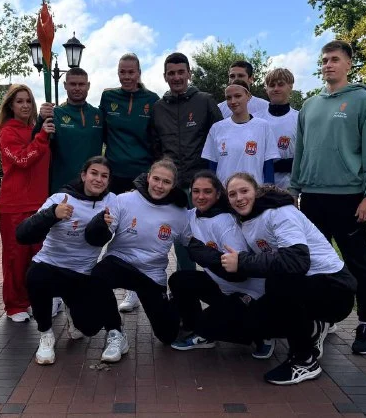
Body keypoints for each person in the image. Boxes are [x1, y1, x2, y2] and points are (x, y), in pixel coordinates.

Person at [289, 40, 366, 355]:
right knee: (314, 264)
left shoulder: (363, 101)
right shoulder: (309, 106)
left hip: (350, 199)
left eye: (334, 59)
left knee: (359, 264)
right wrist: (294, 190)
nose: (328, 65)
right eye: (324, 60)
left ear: (348, 64)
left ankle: (365, 324)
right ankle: (324, 318)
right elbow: (300, 152)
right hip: (312, 198)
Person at [222, 173, 357, 385]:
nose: (239, 198)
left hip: (335, 289)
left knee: (280, 282)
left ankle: (305, 361)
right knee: (255, 322)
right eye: (232, 194)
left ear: (256, 191)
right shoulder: (247, 220)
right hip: (308, 286)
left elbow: (296, 262)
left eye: (244, 191)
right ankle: (312, 326)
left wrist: (242, 262)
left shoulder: (280, 212)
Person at [84, 159, 221, 362]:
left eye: (166, 182)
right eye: (156, 179)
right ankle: (115, 332)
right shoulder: (124, 200)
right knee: (97, 276)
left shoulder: (179, 213)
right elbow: (97, 237)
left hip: (151, 274)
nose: (159, 185)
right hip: (120, 262)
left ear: (173, 185)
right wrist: (98, 224)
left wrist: (220, 261)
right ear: (148, 177)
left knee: (167, 336)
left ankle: (175, 306)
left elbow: (192, 245)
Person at [15, 156, 118, 365]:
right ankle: (46, 333)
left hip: (81, 273)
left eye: (104, 176)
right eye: (94, 173)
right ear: (83, 175)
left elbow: (94, 239)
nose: (98, 179)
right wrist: (52, 214)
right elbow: (23, 234)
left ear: (109, 180)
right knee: (35, 276)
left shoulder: (112, 202)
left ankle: (72, 309)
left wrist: (100, 224)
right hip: (50, 266)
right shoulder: (61, 198)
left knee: (89, 328)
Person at [168, 171, 274, 359]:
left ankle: (263, 332)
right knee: (179, 280)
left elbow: (238, 274)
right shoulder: (192, 215)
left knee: (210, 323)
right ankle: (199, 329)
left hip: (249, 292)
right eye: (196, 191)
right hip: (223, 288)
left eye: (207, 191)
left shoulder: (225, 222)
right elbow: (164, 214)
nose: (201, 197)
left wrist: (200, 253)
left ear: (218, 194)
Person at [148, 52, 223, 274]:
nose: (177, 77)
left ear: (189, 73)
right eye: (171, 73)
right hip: (174, 187)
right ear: (165, 76)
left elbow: (221, 139)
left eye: (181, 72)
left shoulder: (205, 101)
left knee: (211, 235)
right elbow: (155, 146)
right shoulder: (158, 108)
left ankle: (218, 282)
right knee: (180, 237)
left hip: (202, 184)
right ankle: (185, 282)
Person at [0, 84, 55, 322]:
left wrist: (42, 128)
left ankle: (31, 299)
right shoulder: (7, 132)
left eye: (28, 101)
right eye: (19, 101)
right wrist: (42, 137)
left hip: (39, 203)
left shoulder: (34, 129)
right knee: (16, 258)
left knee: (37, 256)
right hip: (15, 205)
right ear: (11, 105)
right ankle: (14, 305)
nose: (25, 105)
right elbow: (22, 159)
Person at [99, 53, 161, 195]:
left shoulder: (152, 99)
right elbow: (100, 128)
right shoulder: (108, 97)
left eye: (131, 72)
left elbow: (157, 136)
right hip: (113, 172)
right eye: (122, 72)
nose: (126, 77)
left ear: (139, 73)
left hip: (142, 173)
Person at [37, 67, 104, 194]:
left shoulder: (98, 115)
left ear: (88, 86)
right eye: (73, 84)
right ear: (65, 85)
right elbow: (36, 144)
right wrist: (40, 119)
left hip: (92, 188)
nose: (77, 88)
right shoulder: (55, 114)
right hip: (62, 187)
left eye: (81, 84)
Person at [202, 80, 279, 185]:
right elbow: (212, 166)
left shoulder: (263, 126)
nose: (233, 101)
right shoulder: (217, 128)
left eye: (238, 96)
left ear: (248, 96)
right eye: (228, 98)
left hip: (255, 191)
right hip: (225, 191)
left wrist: (268, 191)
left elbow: (268, 165)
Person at [263, 68, 299, 189]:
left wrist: (282, 165)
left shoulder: (300, 118)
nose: (276, 89)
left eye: (280, 84)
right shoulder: (256, 118)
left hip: (290, 186)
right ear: (266, 89)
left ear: (290, 87)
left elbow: (306, 155)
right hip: (260, 185)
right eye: (271, 85)